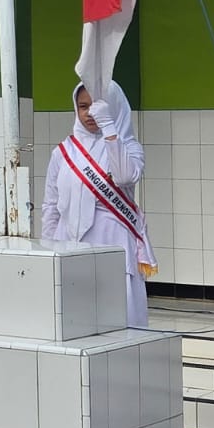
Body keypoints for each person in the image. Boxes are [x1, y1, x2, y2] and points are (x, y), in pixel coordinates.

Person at [41, 81, 156, 328]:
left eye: (96, 106)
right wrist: (47, 247)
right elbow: (51, 205)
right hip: (68, 242)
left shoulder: (128, 147)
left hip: (112, 240)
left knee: (117, 317)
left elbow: (125, 176)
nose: (89, 113)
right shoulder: (62, 152)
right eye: (83, 106)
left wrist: (109, 128)